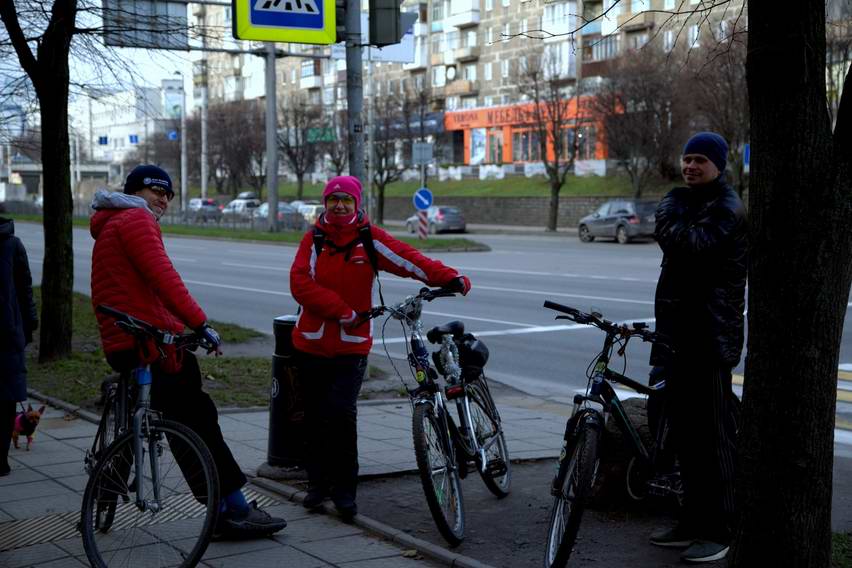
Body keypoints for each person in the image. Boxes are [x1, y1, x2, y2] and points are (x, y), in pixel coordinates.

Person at [90, 165, 286, 539]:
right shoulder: (136, 219)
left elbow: (142, 292)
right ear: (134, 192)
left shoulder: (111, 222)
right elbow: (163, 278)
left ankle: (114, 484)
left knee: (176, 416)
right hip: (146, 344)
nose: (163, 199)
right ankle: (234, 508)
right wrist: (200, 325)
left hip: (125, 341)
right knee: (197, 418)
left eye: (168, 194)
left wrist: (179, 330)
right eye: (155, 191)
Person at [289, 176, 471, 521]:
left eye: (347, 200)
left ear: (357, 204)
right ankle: (317, 485)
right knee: (313, 417)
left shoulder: (368, 239)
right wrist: (340, 310)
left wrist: (448, 276)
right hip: (310, 344)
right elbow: (300, 283)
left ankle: (344, 493)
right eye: (333, 199)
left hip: (351, 347)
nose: (339, 205)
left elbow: (408, 259)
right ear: (325, 203)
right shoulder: (313, 239)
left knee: (341, 415)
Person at [647, 132, 747, 563]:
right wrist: (673, 216)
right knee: (685, 436)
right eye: (687, 158)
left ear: (719, 166)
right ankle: (691, 520)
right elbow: (674, 231)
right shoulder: (688, 202)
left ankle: (721, 529)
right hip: (679, 336)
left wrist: (670, 217)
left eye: (700, 160)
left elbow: (689, 245)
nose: (691, 166)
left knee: (714, 437)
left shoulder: (726, 207)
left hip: (708, 338)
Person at [0, 206, 38, 477]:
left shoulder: (12, 245)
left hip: (9, 333)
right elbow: (25, 289)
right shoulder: (12, 244)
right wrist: (27, 326)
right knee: (5, 397)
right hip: (7, 332)